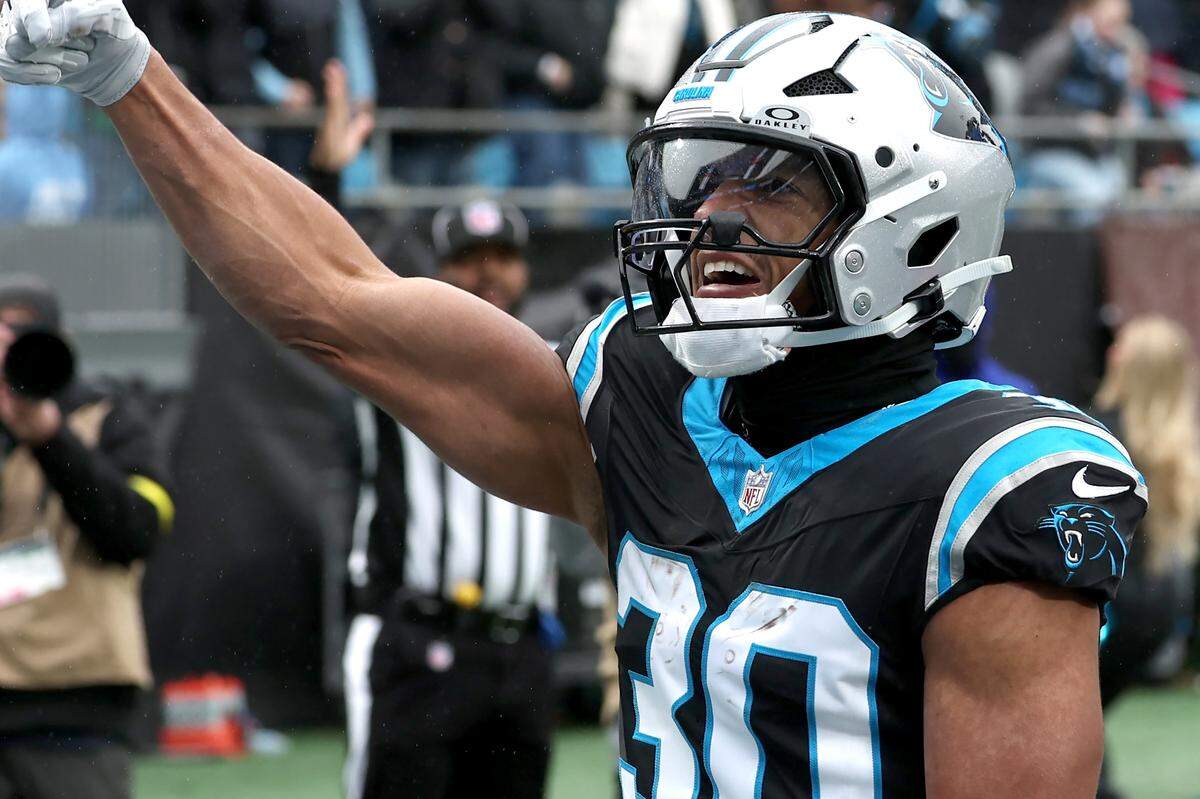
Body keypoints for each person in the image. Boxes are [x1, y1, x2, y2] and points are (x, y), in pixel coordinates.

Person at [1, 6, 1151, 796]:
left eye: (776, 188)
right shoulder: (641, 400)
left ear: (919, 219)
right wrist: (128, 78)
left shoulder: (988, 491)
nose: (714, 225)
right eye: (706, 183)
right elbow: (335, 301)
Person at [310, 68, 559, 799]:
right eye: (468, 259)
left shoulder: (562, 365)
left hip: (522, 652)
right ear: (439, 271)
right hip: (417, 643)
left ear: (524, 269)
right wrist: (327, 178)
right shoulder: (403, 360)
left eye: (501, 258)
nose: (487, 275)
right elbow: (326, 290)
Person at [0, 275, 172, 799]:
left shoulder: (110, 416)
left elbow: (135, 532)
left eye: (27, 340)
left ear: (61, 344)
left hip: (77, 708)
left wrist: (51, 436)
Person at [1091, 316, 1199, 799]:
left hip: (1120, 613)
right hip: (1161, 612)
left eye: (1121, 348)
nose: (1111, 352)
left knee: (1072, 723)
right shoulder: (1180, 450)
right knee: (1084, 719)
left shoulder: (1099, 437)